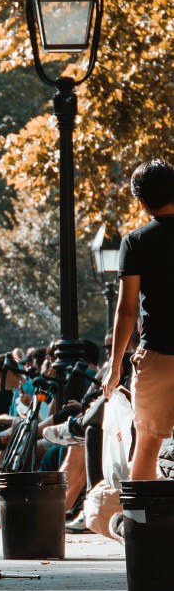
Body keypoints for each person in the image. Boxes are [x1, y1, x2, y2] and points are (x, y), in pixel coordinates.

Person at [104, 158, 174, 480]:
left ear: (141, 201)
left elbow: (127, 310)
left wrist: (115, 366)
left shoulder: (135, 241)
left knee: (147, 442)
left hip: (158, 355)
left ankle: (142, 524)